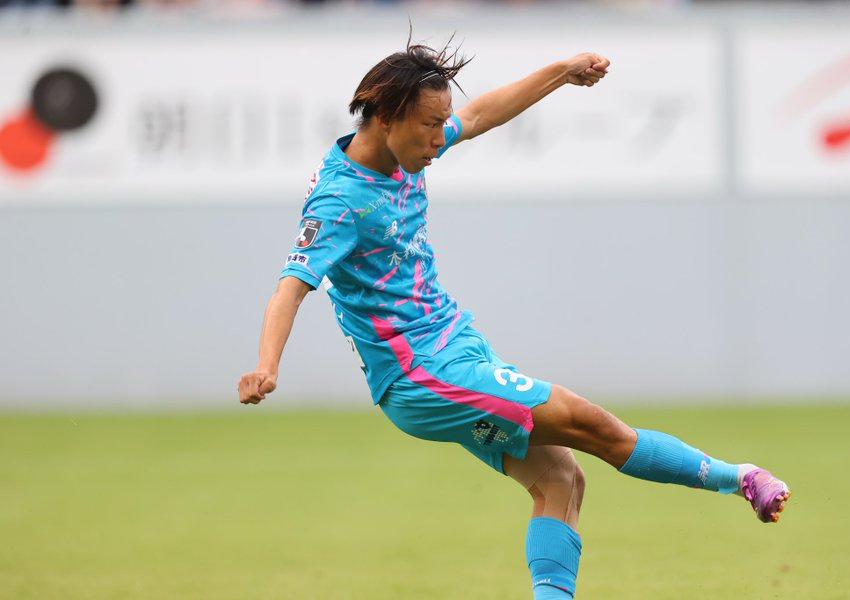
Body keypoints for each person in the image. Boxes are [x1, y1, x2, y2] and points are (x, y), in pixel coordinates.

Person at [238, 37, 791, 599]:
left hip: (456, 346)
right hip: (420, 373)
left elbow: (480, 114)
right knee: (590, 424)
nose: (440, 138)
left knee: (560, 480)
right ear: (386, 116)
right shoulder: (339, 200)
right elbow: (291, 286)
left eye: (442, 123)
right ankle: (740, 479)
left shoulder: (403, 150)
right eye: (430, 125)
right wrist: (267, 365)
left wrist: (563, 71)